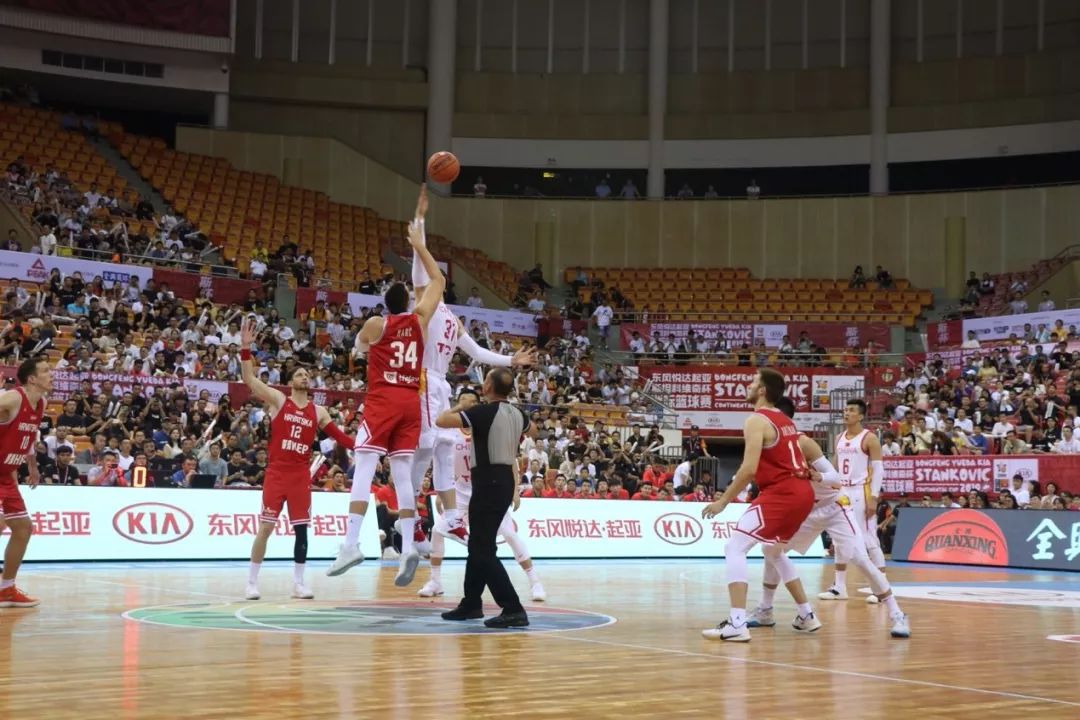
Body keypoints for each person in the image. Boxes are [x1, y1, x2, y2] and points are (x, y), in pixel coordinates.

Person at [404, 184, 536, 552]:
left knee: (444, 447)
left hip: (440, 384)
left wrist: (511, 360)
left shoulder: (450, 319)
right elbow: (420, 270)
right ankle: (411, 518)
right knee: (427, 447)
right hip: (423, 381)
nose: (428, 284)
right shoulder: (427, 308)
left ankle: (450, 519)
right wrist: (420, 224)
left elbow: (477, 352)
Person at [328, 197, 445, 587]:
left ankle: (350, 544)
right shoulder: (420, 320)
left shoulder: (377, 323)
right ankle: (410, 546)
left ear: (384, 303)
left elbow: (358, 345)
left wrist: (364, 346)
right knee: (403, 477)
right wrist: (419, 244)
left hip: (383, 400)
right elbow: (439, 282)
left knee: (363, 465)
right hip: (412, 402)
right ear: (408, 302)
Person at [744, 398, 910, 639]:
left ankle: (897, 614)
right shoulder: (769, 447)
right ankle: (766, 610)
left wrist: (816, 476)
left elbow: (835, 478)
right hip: (808, 509)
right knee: (771, 549)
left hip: (835, 506)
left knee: (861, 559)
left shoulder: (804, 443)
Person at [239, 317, 355, 600]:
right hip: (277, 473)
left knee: (302, 531)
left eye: (307, 375)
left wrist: (365, 446)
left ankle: (299, 583)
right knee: (265, 527)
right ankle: (252, 582)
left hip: (300, 475)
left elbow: (340, 438)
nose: (305, 377)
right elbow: (249, 379)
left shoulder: (318, 412)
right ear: (291, 382)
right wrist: (245, 349)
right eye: (300, 375)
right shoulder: (279, 400)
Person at [700, 368, 818, 642]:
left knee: (735, 547)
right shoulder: (784, 420)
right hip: (802, 493)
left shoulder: (756, 420)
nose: (748, 386)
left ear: (762, 390)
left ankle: (737, 623)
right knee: (773, 552)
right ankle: (806, 615)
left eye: (753, 382)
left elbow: (748, 468)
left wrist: (723, 501)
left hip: (783, 492)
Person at [417, 391, 546, 602]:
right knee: (438, 530)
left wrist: (514, 491)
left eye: (473, 402)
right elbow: (443, 462)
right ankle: (435, 581)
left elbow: (510, 459)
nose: (469, 404)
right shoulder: (451, 431)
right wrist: (442, 492)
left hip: (486, 490)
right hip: (459, 493)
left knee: (510, 535)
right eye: (464, 401)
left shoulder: (486, 426)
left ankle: (535, 582)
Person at [435, 368, 534, 628]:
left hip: (487, 482)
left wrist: (461, 405)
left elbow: (441, 420)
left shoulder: (482, 412)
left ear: (488, 385)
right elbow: (531, 429)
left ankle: (512, 607)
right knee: (479, 545)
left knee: (482, 548)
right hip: (504, 481)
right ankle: (471, 603)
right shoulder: (519, 414)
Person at [819, 399, 889, 603]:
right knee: (840, 539)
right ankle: (839, 587)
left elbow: (878, 469)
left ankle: (881, 586)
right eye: (845, 410)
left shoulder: (870, 438)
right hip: (842, 491)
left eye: (851, 410)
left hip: (861, 491)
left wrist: (874, 497)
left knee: (868, 539)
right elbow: (834, 467)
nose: (846, 413)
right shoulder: (839, 437)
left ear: (860, 416)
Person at [0, 356, 53, 608]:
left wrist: (31, 465)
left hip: (6, 474)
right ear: (32, 378)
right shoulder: (12, 398)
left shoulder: (40, 402)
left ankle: (6, 588)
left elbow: (27, 435)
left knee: (22, 528)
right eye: (45, 371)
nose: (50, 374)